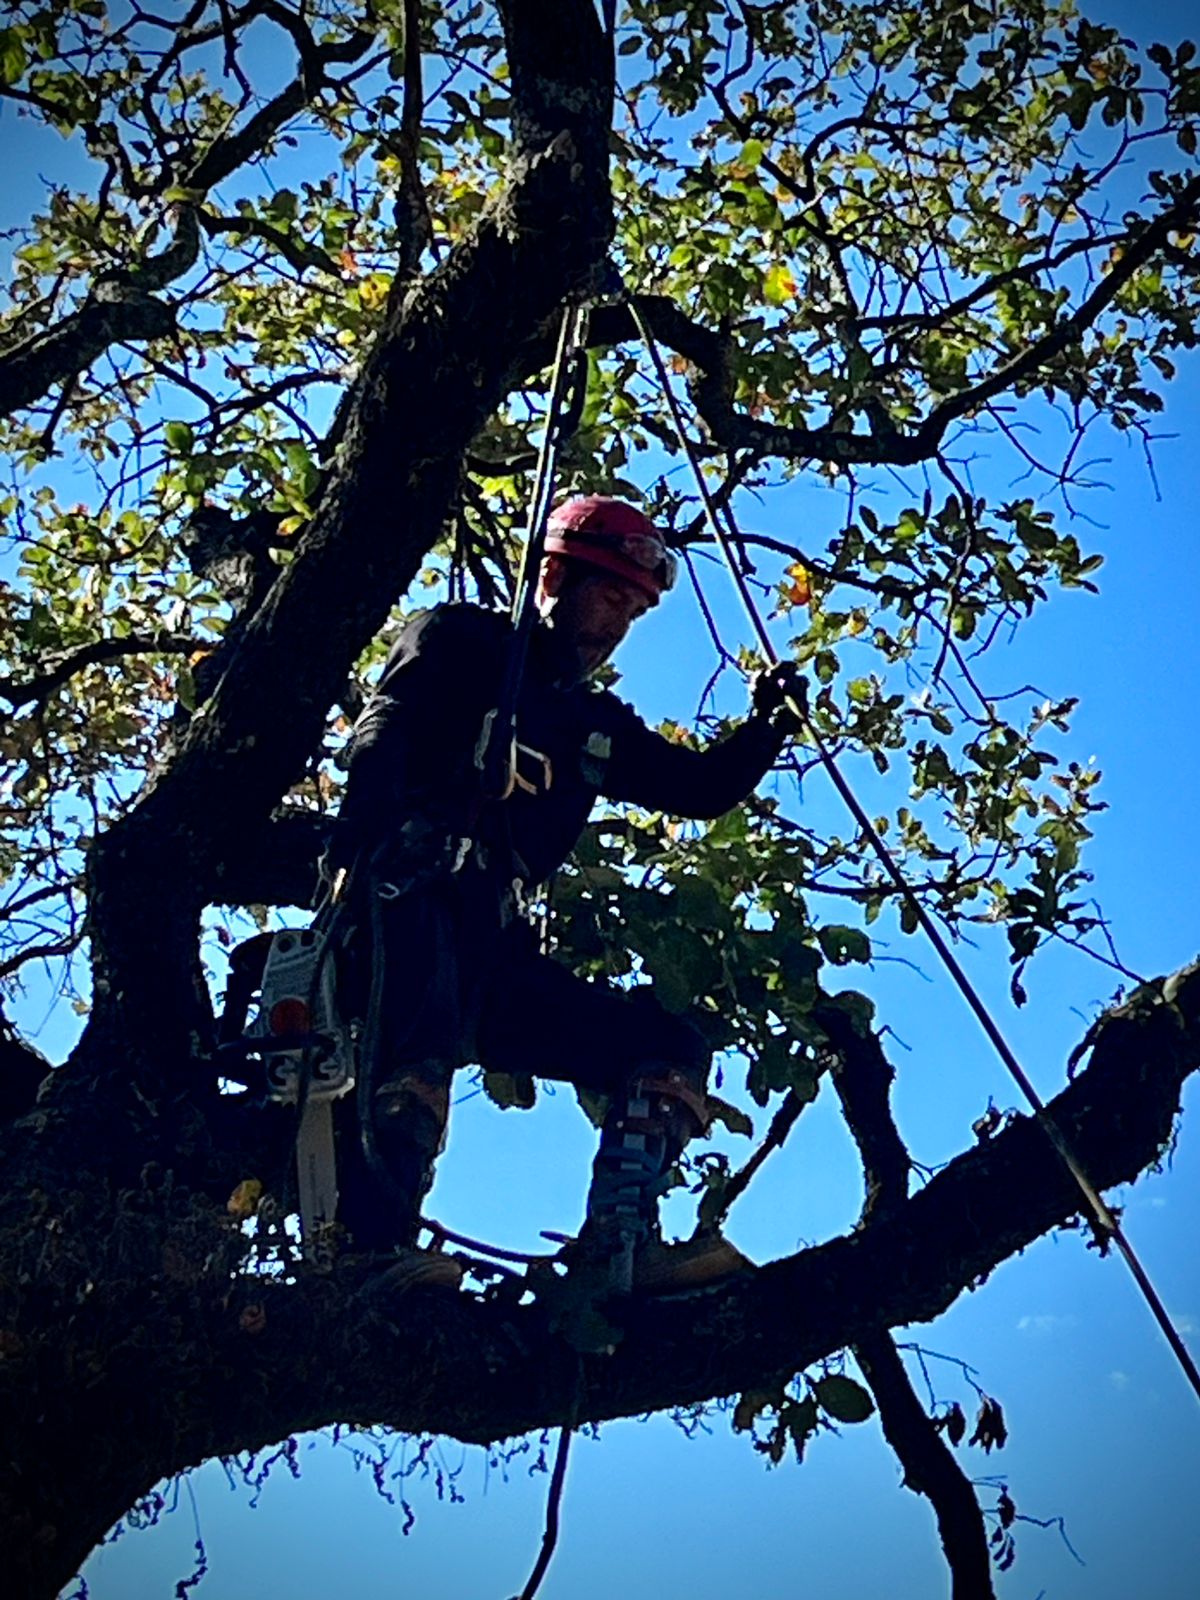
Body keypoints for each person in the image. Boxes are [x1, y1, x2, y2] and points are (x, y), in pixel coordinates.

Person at [331, 495, 805, 1301]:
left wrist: (767, 728)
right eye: (614, 595)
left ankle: (619, 1248)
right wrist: (364, 849)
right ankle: (369, 1251)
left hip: (492, 953)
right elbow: (388, 724)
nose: (623, 620)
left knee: (666, 1046)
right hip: (403, 906)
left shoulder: (589, 723)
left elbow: (696, 789)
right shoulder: (463, 643)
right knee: (414, 1058)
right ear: (556, 574)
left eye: (637, 608)